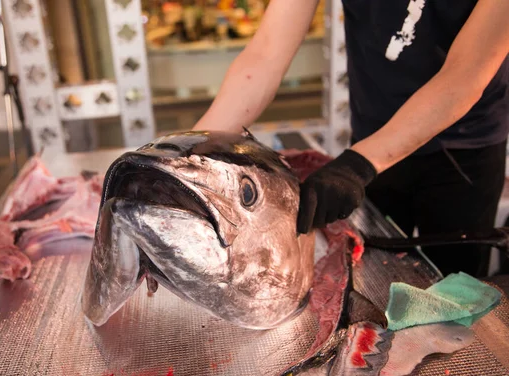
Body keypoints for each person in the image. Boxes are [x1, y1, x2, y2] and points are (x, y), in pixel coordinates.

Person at [192, 0, 509, 277]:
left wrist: (359, 164)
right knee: (374, 273)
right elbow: (265, 54)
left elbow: (466, 74)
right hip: (373, 131)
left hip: (463, 147)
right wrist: (191, 152)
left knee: (454, 286)